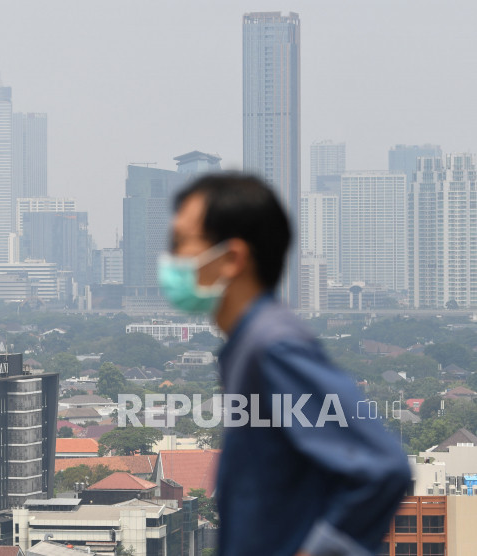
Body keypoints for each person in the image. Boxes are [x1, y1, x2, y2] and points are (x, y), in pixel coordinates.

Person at [159, 173, 411, 556]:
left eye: (181, 244)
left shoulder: (272, 346)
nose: (171, 260)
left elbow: (383, 468)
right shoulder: (247, 345)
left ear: (232, 258)